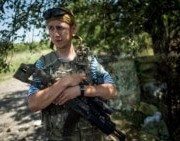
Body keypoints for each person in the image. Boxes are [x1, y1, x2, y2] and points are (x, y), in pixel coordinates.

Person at [27, 7, 118, 141]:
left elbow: (112, 91)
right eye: (51, 28)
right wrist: (64, 82)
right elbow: (33, 104)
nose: (55, 34)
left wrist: (81, 90)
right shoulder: (43, 64)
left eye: (60, 28)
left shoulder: (89, 61)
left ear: (73, 29)